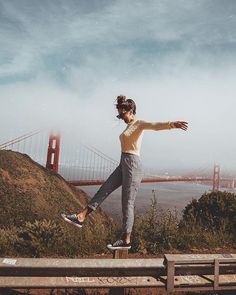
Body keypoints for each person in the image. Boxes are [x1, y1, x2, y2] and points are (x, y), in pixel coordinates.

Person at [61, 95, 188, 250]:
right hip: (123, 163)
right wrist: (121, 102)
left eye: (123, 112)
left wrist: (172, 124)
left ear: (131, 110)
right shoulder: (127, 127)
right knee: (104, 189)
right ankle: (81, 217)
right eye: (120, 112)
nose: (121, 116)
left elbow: (154, 125)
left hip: (133, 165)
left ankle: (126, 240)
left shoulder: (139, 123)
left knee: (127, 203)